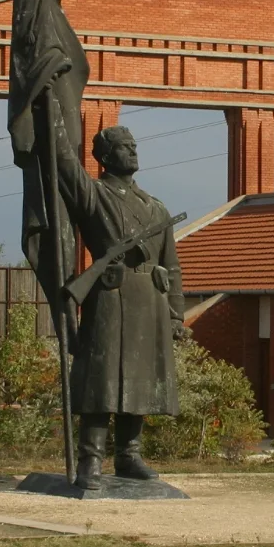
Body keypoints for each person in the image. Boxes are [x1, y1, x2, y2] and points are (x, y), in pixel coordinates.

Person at [54, 122, 187, 490]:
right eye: (124, 146)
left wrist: (176, 314)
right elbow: (65, 163)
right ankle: (90, 461)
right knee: (102, 380)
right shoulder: (94, 195)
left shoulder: (157, 207)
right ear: (105, 157)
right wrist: (52, 113)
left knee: (142, 381)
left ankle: (129, 455)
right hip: (110, 299)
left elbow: (172, 267)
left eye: (134, 144)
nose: (132, 150)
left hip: (151, 302)